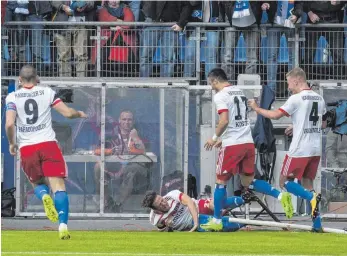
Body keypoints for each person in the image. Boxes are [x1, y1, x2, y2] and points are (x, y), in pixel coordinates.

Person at [201, 68, 293, 232]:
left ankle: (216, 220)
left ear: (215, 80)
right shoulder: (239, 91)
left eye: (210, 83)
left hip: (233, 145)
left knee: (220, 182)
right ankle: (280, 195)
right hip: (247, 143)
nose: (211, 87)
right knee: (247, 181)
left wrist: (214, 138)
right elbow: (238, 121)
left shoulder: (220, 96)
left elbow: (224, 121)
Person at [5, 65, 87, 239]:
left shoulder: (12, 97)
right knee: (58, 187)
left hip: (27, 147)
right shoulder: (46, 92)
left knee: (36, 183)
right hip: (48, 144)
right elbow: (67, 113)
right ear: (37, 79)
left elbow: (9, 124)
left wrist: (12, 143)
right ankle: (63, 225)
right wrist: (78, 113)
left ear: (20, 80)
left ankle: (43, 197)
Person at [248, 67, 326, 231]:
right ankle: (317, 224)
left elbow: (275, 115)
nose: (288, 87)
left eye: (289, 83)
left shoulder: (296, 99)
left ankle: (311, 197)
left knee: (284, 182)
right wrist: (296, 125)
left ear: (297, 80)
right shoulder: (319, 98)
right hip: (315, 148)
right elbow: (322, 122)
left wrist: (256, 108)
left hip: (299, 149)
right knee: (308, 182)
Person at [94, 110, 148, 212]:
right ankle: (107, 202)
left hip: (131, 166)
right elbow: (96, 150)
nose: (126, 122)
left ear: (133, 121)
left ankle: (118, 204)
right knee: (98, 167)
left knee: (134, 169)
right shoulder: (110, 133)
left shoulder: (138, 133)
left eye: (129, 120)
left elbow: (143, 151)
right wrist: (110, 151)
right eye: (124, 119)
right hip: (113, 165)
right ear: (119, 120)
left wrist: (135, 138)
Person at [142, 190, 245, 232]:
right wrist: (168, 226)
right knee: (219, 225)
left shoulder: (172, 195)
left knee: (214, 204)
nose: (164, 203)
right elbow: (165, 230)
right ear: (155, 210)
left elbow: (189, 202)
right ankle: (247, 222)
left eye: (162, 199)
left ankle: (243, 199)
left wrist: (196, 223)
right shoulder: (155, 220)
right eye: (160, 204)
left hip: (197, 207)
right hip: (190, 222)